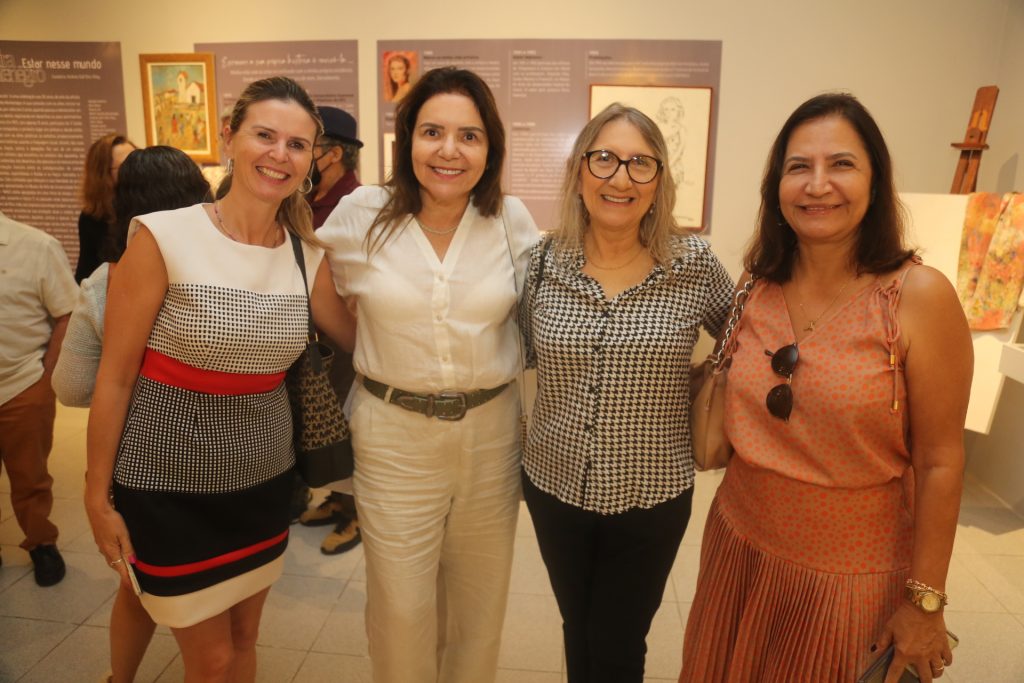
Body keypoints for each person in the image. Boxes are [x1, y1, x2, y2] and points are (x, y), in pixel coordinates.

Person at [679, 93, 972, 683]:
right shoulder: (756, 285)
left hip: (849, 578)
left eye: (841, 164)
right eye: (798, 167)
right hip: (740, 546)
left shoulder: (918, 297)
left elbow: (941, 461)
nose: (818, 185)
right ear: (777, 186)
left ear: (875, 180)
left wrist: (924, 602)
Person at [83, 76, 355, 682]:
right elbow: (116, 378)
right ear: (230, 138)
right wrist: (97, 499)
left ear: (313, 160)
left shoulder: (306, 256)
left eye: (297, 144)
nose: (279, 155)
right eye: (265, 135)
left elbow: (366, 343)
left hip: (262, 483)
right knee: (209, 659)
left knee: (243, 638)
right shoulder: (163, 235)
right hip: (166, 483)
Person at [319, 66, 539, 683]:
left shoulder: (511, 220)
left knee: (478, 605)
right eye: (432, 131)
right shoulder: (363, 213)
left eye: (469, 136)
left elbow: (541, 311)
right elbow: (309, 278)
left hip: (492, 434)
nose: (449, 150)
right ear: (407, 138)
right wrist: (366, 346)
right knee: (401, 607)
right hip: (392, 435)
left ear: (490, 148)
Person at [517, 103, 734, 683]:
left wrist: (704, 375)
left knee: (618, 642)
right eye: (605, 159)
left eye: (641, 164)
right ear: (579, 171)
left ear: (660, 180)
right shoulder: (539, 264)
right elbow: (510, 352)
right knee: (576, 627)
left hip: (652, 495)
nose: (620, 178)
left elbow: (746, 340)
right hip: (553, 485)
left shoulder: (694, 266)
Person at [52, 145, 211, 683]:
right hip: (238, 457)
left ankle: (120, 678)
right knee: (216, 609)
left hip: (141, 463)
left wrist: (131, 387)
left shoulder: (106, 282)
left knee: (137, 584)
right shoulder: (228, 276)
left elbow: (71, 387)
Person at [296, 105, 364, 555]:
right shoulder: (309, 201)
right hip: (315, 338)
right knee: (327, 423)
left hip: (343, 336)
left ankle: (356, 513)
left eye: (308, 148)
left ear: (334, 154)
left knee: (344, 424)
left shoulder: (352, 206)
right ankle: (338, 501)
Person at [0, 210, 77, 586]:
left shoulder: (35, 246)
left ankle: (41, 543)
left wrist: (47, 376)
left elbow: (67, 313)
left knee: (29, 475)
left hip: (22, 382)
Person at [76, 133, 136, 282]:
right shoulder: (92, 217)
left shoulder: (155, 204)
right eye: (126, 165)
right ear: (103, 175)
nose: (137, 168)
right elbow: (86, 273)